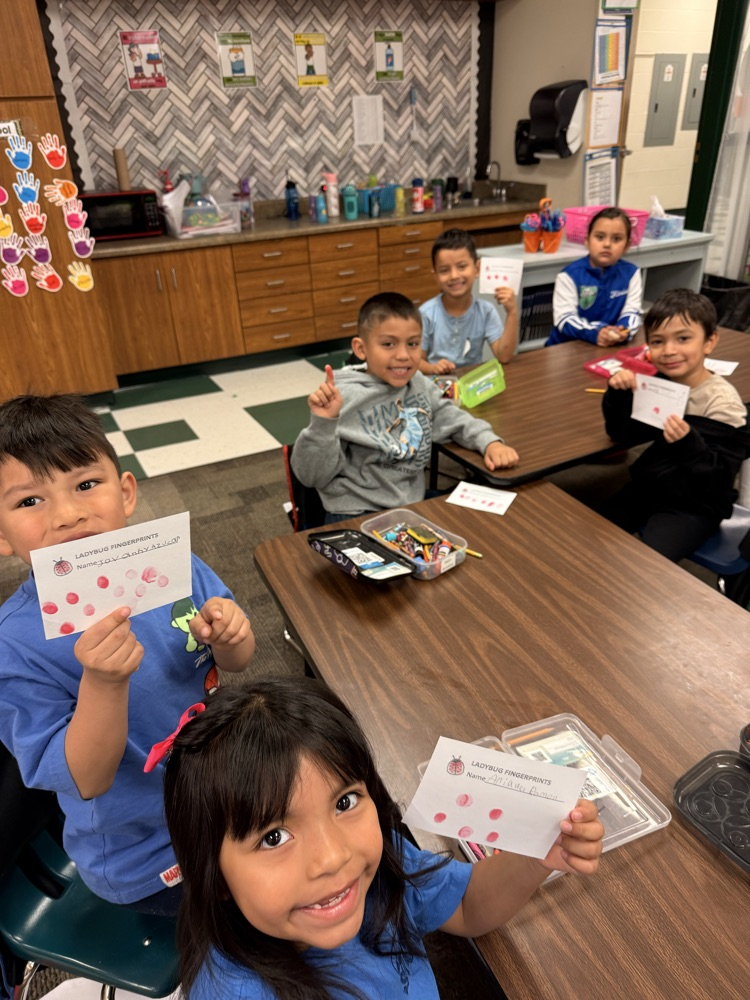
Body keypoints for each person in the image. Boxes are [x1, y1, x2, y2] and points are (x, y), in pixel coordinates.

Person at [162, 676, 604, 1000]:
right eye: (274, 837)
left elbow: (467, 906)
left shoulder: (381, 868)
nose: (333, 858)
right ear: (213, 876)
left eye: (344, 803)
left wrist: (535, 856)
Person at [0, 394, 256, 914]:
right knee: (261, 914)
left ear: (127, 492)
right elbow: (87, 778)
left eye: (86, 484)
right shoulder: (13, 644)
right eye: (29, 501)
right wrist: (103, 681)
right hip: (144, 852)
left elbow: (237, 663)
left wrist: (232, 637)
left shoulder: (172, 566)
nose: (68, 515)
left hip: (223, 790)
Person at [291, 292, 519, 522]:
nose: (403, 355)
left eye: (412, 344)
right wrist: (323, 423)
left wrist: (488, 441)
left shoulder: (417, 382)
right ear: (361, 349)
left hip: (409, 504)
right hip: (356, 512)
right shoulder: (344, 397)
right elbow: (311, 476)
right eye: (388, 344)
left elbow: (447, 414)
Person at [601, 289, 750, 562]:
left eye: (683, 338)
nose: (669, 351)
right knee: (592, 533)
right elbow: (621, 434)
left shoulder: (723, 405)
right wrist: (619, 394)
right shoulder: (662, 384)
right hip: (652, 486)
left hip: (695, 504)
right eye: (657, 342)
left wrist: (688, 443)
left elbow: (718, 478)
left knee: (646, 564)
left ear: (709, 341)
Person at [418, 228, 518, 375]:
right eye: (444, 270)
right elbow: (415, 360)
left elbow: (504, 356)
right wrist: (433, 368)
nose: (454, 275)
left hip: (473, 384)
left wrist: (512, 312)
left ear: (477, 269)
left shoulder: (486, 311)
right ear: (436, 276)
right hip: (437, 384)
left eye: (462, 266)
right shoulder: (426, 314)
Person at [546, 207, 643, 347]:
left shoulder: (631, 273)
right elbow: (564, 319)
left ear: (627, 245)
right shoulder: (569, 275)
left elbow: (632, 312)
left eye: (617, 239)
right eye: (600, 237)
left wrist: (623, 331)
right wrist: (597, 332)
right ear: (587, 240)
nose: (607, 244)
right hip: (567, 348)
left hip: (609, 345)